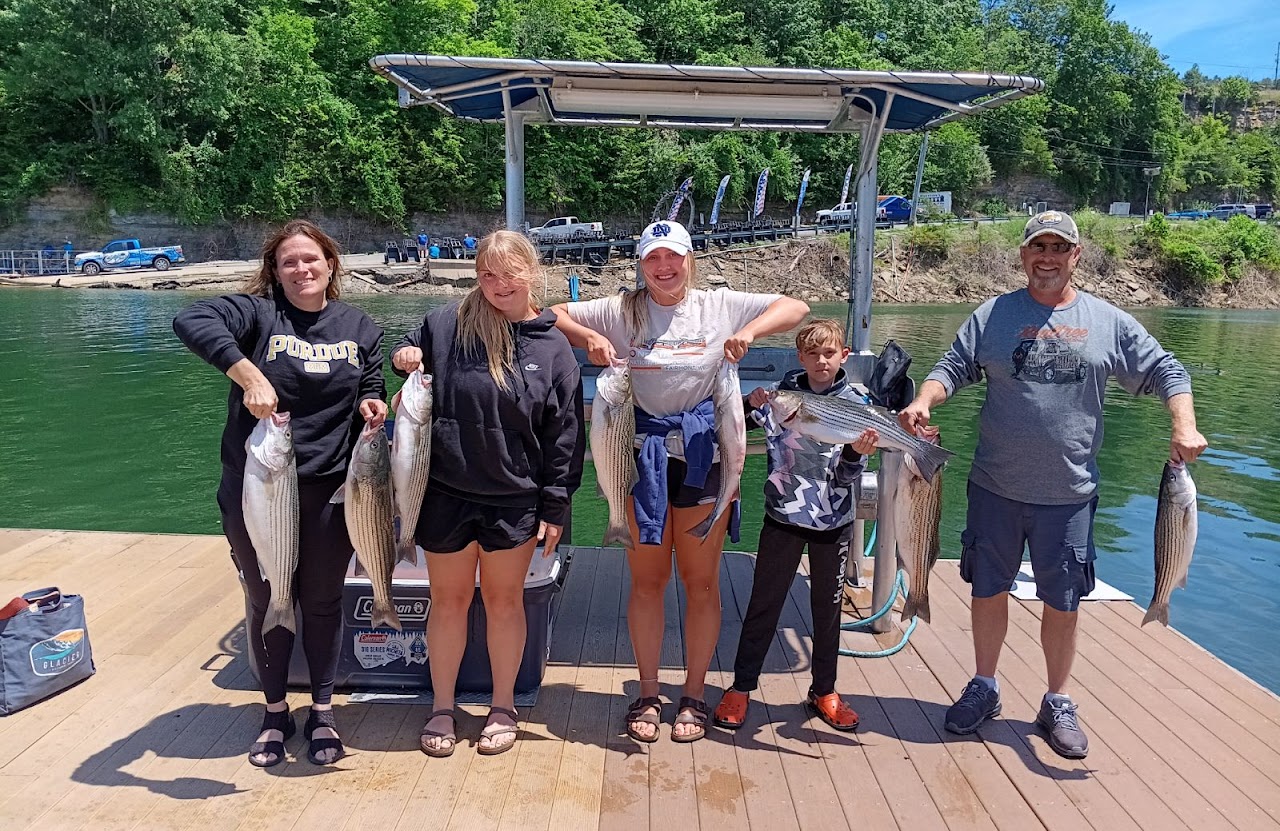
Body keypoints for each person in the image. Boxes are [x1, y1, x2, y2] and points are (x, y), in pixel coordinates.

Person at [897, 210, 1207, 759]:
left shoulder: (1108, 321)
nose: (1047, 256)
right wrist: (923, 400)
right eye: (1037, 246)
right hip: (994, 486)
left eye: (1058, 247)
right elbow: (952, 366)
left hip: (1069, 495)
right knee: (987, 591)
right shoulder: (994, 315)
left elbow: (1169, 371)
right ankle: (985, 685)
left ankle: (1056, 700)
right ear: (1022, 255)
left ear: (1076, 256)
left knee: (1063, 602)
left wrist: (1183, 424)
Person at [551, 219, 809, 742]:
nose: (664, 268)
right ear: (640, 264)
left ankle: (692, 692)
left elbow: (796, 307)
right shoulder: (621, 308)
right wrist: (590, 337)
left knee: (703, 582)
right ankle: (648, 693)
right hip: (637, 455)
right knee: (647, 582)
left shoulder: (720, 304)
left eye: (673, 257)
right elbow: (548, 313)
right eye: (652, 260)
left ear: (691, 258)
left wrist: (750, 331)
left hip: (700, 454)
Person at [173, 219, 387, 767]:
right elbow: (191, 319)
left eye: (311, 259)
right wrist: (247, 375)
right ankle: (274, 711)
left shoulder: (360, 326)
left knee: (321, 602)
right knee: (267, 598)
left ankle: (321, 710)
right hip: (258, 489)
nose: (301, 269)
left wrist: (372, 402)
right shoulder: (257, 316)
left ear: (332, 264)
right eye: (288, 262)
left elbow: (370, 381)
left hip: (330, 495)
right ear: (274, 271)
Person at [391, 230, 584, 757]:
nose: (499, 285)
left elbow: (563, 435)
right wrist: (404, 355)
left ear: (533, 272)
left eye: (510, 273)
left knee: (504, 604)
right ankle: (442, 706)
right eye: (487, 274)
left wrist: (556, 505)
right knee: (447, 603)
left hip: (515, 500)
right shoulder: (446, 324)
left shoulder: (553, 346)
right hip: (444, 493)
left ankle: (503, 706)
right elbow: (406, 351)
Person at [713, 319, 877, 734]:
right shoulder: (781, 398)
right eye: (812, 354)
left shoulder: (859, 403)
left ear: (843, 355)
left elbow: (844, 479)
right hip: (782, 519)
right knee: (762, 606)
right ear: (799, 357)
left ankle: (824, 690)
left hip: (833, 523)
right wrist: (750, 405)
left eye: (829, 353)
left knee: (828, 611)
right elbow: (733, 427)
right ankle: (741, 687)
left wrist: (856, 454)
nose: (821, 362)